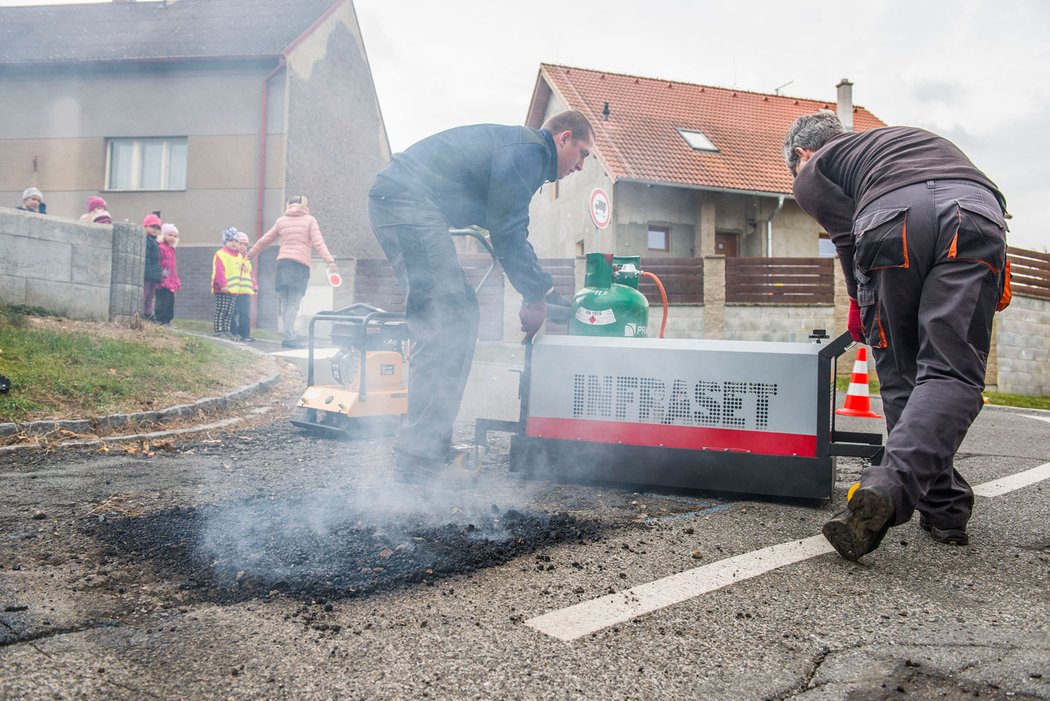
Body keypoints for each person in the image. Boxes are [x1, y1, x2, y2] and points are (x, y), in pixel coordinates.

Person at [784, 111, 1010, 561]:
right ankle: (944, 509)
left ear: (799, 154)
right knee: (951, 374)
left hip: (893, 224)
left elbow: (847, 238)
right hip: (977, 216)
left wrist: (858, 300)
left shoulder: (813, 170)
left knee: (904, 375)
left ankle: (887, 486)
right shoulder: (892, 143)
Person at [367, 109, 592, 483]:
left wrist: (540, 292)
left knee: (460, 311)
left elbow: (508, 227)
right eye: (583, 153)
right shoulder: (530, 153)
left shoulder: (525, 154)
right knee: (445, 316)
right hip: (404, 201)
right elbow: (508, 231)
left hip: (411, 204)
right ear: (563, 138)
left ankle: (428, 447)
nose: (582, 166)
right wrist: (538, 293)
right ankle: (418, 456)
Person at [247, 195, 338, 349]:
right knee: (293, 303)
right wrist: (329, 261)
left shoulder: (281, 221)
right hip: (299, 265)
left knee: (285, 301)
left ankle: (288, 334)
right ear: (304, 205)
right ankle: (289, 337)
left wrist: (249, 254)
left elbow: (264, 240)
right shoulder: (309, 220)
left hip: (283, 263)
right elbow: (318, 242)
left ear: (288, 205)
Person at [212, 227, 251, 339]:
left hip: (234, 289)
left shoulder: (238, 256)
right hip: (222, 288)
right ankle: (219, 331)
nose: (234, 243)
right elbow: (219, 271)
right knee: (222, 310)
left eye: (236, 241)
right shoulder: (221, 254)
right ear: (225, 241)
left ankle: (227, 331)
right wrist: (223, 284)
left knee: (230, 311)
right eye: (231, 240)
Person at [231, 231, 258, 342]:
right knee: (233, 312)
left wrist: (254, 285)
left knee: (245, 313)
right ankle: (233, 332)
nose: (243, 247)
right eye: (241, 243)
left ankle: (245, 334)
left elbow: (250, 274)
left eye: (245, 244)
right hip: (235, 289)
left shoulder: (246, 259)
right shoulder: (233, 257)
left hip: (245, 290)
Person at [155, 223, 181, 327]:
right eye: (170, 235)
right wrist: (160, 276)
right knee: (163, 301)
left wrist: (176, 282)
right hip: (163, 279)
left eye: (175, 236)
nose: (172, 238)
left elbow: (173, 267)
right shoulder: (161, 248)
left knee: (170, 302)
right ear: (163, 235)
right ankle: (160, 320)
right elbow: (159, 262)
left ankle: (168, 320)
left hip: (171, 281)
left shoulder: (172, 250)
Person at [142, 213, 164, 322]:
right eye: (152, 227)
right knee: (144, 293)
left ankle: (148, 313)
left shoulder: (155, 242)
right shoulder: (145, 241)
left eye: (157, 228)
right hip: (147, 272)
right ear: (145, 226)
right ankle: (141, 312)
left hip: (153, 272)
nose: (155, 230)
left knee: (151, 295)